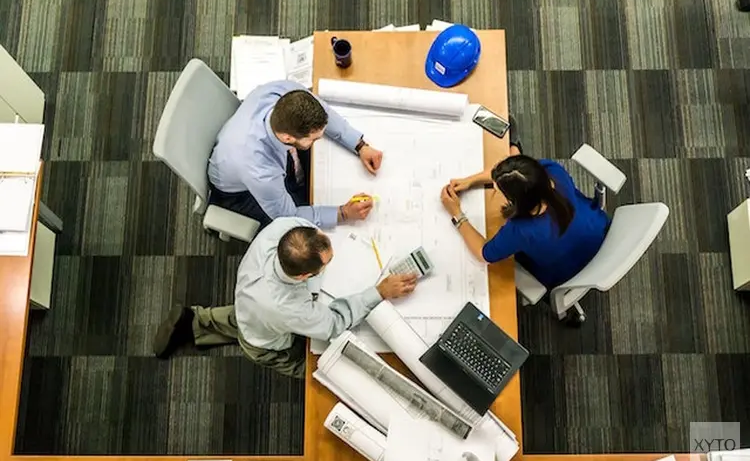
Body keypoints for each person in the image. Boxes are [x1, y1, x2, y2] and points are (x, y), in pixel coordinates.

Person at [152, 217, 418, 379]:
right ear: (304, 276)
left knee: (244, 318)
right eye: (328, 262)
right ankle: (200, 327)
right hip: (266, 340)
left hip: (249, 303)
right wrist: (379, 292)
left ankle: (194, 321)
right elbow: (334, 324)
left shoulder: (284, 229)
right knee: (316, 366)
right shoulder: (288, 308)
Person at [439, 120, 609, 315]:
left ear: (516, 200)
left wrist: (457, 214)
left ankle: (513, 145)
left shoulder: (522, 230)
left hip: (566, 272)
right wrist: (469, 181)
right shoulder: (552, 172)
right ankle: (514, 144)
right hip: (598, 230)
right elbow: (519, 175)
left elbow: (483, 253)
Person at [207, 80, 383, 230]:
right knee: (297, 232)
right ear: (288, 138)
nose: (319, 141)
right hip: (239, 193)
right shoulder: (260, 171)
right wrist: (343, 213)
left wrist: (360, 145)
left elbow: (323, 112)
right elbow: (289, 216)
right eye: (314, 139)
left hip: (243, 152)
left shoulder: (284, 93)